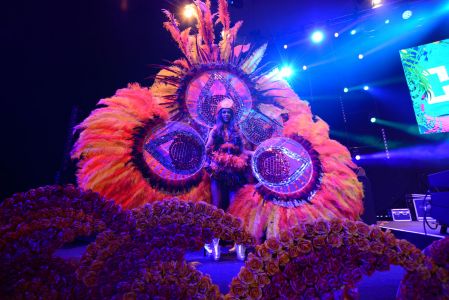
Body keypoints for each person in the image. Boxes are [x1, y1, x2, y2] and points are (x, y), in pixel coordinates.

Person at [204, 97, 249, 260]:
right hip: (218, 172)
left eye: (229, 112)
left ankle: (239, 243)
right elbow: (207, 149)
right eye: (223, 112)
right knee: (217, 206)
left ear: (232, 114)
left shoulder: (237, 132)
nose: (226, 115)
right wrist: (219, 156)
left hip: (234, 173)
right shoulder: (214, 131)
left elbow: (243, 151)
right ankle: (214, 242)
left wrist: (242, 156)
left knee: (235, 207)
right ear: (219, 114)